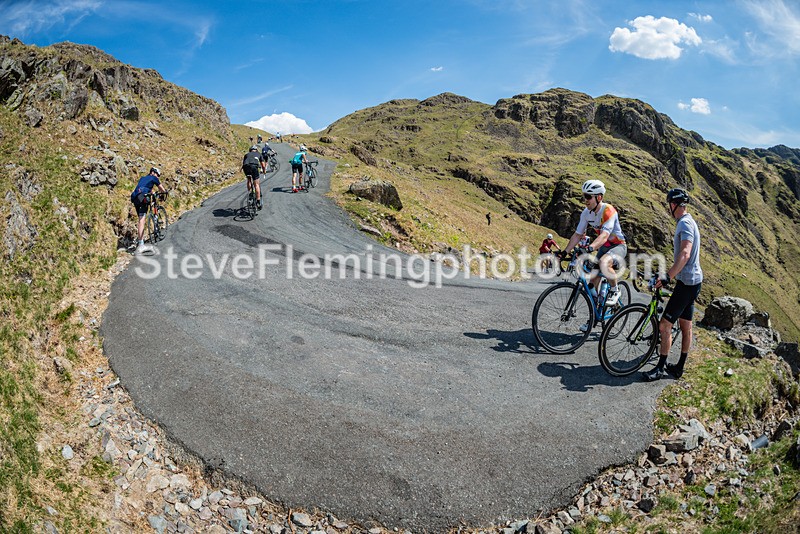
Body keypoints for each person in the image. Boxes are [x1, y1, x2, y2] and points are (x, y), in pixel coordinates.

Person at [642, 188, 703, 381]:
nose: (668, 206)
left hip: (686, 283)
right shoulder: (689, 221)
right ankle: (679, 368)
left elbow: (685, 254)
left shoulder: (684, 224)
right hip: (693, 281)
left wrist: (668, 276)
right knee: (686, 325)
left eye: (669, 203)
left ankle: (660, 368)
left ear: (674, 204)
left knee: (665, 324)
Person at [562, 179, 627, 306]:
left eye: (588, 197)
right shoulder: (586, 213)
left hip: (618, 245)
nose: (585, 200)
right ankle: (594, 314)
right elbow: (577, 235)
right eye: (584, 196)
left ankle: (615, 290)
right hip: (604, 247)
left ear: (599, 197)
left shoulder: (608, 211)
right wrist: (564, 252)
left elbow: (604, 236)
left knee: (604, 263)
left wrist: (589, 248)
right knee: (591, 285)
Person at [130, 167, 167, 254]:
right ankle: (141, 244)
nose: (158, 177)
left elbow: (145, 187)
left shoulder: (143, 178)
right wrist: (164, 193)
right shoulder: (154, 178)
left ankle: (140, 241)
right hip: (143, 196)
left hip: (135, 197)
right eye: (158, 175)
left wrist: (152, 193)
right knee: (142, 219)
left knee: (140, 218)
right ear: (153, 173)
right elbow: (162, 189)